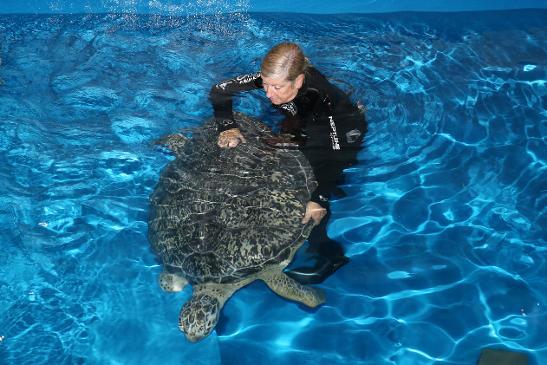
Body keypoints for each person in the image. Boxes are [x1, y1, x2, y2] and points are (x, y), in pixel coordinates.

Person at [209, 42, 367, 284]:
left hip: (341, 130)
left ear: (299, 81)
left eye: (277, 87)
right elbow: (220, 90)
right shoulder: (276, 80)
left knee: (313, 190)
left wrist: (319, 198)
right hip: (304, 117)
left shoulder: (320, 101)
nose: (268, 94)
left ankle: (328, 254)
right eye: (264, 84)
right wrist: (227, 127)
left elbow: (334, 156)